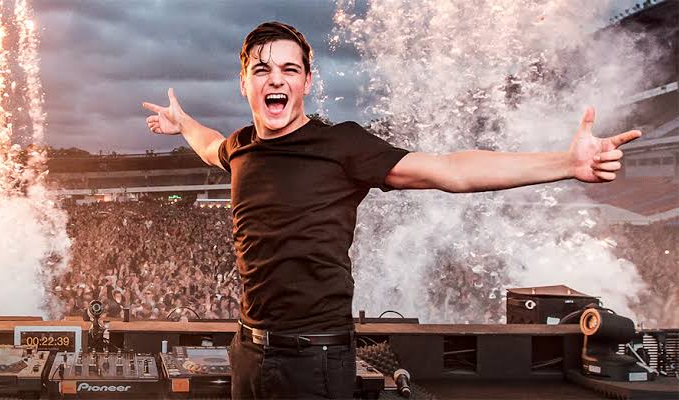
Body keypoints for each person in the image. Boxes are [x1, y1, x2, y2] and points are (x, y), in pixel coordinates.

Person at [142, 21, 640, 400]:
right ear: (244, 83)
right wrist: (183, 124)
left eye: (290, 70)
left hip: (315, 361)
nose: (277, 80)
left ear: (307, 82)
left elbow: (451, 171)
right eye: (262, 70)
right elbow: (209, 145)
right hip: (248, 353)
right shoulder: (241, 146)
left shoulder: (342, 145)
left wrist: (566, 163)